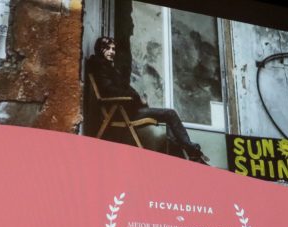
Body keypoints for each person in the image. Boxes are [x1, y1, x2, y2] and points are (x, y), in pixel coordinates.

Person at [86, 36, 209, 164]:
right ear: (100, 49)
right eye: (108, 49)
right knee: (170, 114)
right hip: (120, 112)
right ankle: (192, 152)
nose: (112, 52)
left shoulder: (108, 67)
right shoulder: (101, 68)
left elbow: (122, 89)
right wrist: (135, 98)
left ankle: (180, 155)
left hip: (127, 109)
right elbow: (109, 90)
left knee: (168, 116)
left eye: (113, 49)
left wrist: (138, 99)